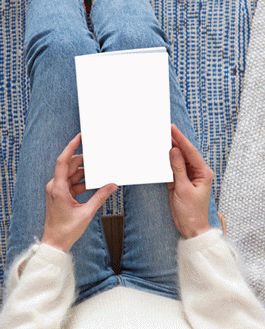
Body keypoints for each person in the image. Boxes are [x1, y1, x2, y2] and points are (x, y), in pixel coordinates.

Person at [0, 0, 265, 328]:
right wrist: (199, 232)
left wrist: (54, 244)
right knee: (136, 45)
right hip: (182, 291)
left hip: (57, 305)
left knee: (60, 51)